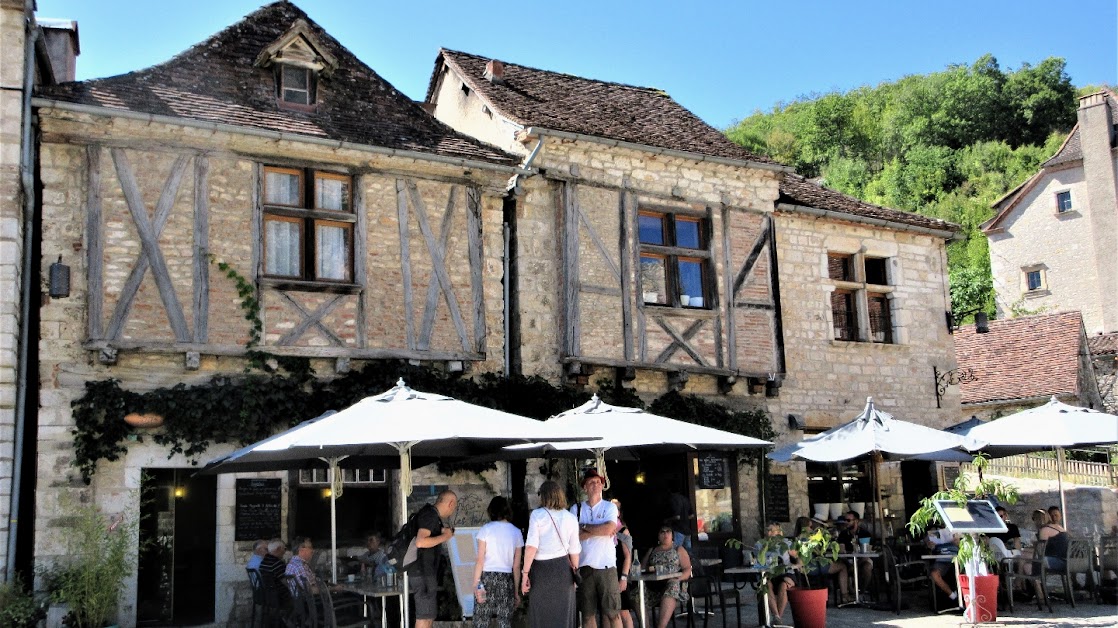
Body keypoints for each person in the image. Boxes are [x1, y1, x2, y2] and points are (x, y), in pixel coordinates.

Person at [522, 480, 580, 628]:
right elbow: (574, 551)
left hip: (541, 571)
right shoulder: (571, 518)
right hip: (563, 570)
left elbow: (531, 547)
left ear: (544, 496)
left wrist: (525, 574)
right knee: (563, 615)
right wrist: (574, 575)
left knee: (541, 615)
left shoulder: (537, 515)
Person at [572, 470, 622, 628]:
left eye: (599, 482)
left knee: (613, 613)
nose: (596, 485)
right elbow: (572, 536)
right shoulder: (576, 508)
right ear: (584, 487)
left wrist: (584, 527)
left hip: (606, 566)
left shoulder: (609, 507)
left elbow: (609, 529)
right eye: (592, 482)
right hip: (584, 566)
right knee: (587, 615)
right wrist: (598, 530)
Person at [473, 496, 524, 628]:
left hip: (486, 578)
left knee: (481, 619)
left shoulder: (485, 529)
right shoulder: (516, 532)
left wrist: (476, 583)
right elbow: (516, 566)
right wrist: (516, 592)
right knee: (504, 621)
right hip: (506, 579)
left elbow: (480, 560)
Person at [413, 490, 459, 628]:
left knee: (428, 617)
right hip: (422, 572)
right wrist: (446, 537)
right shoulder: (430, 515)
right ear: (451, 503)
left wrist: (442, 531)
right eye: (454, 507)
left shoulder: (430, 515)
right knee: (424, 618)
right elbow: (421, 542)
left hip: (425, 572)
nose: (452, 511)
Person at [791, 516, 850, 603]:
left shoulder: (796, 538)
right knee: (843, 567)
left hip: (804, 568)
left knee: (842, 564)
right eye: (811, 527)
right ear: (807, 526)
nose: (812, 529)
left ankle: (848, 592)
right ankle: (845, 595)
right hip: (815, 566)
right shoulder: (809, 538)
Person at [644, 525, 692, 628]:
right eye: (662, 532)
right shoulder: (653, 550)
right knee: (636, 591)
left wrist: (678, 578)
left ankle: (661, 626)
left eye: (668, 531)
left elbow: (687, 569)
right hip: (654, 584)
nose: (665, 534)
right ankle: (645, 625)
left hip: (673, 584)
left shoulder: (678, 549)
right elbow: (642, 568)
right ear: (658, 535)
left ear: (672, 535)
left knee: (672, 586)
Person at [754, 523, 794, 621]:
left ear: (779, 532)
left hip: (785, 573)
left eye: (772, 530)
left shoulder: (786, 543)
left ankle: (777, 618)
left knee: (783, 585)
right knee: (766, 585)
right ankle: (777, 617)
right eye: (767, 530)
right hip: (768, 573)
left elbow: (799, 558)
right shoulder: (760, 544)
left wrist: (797, 566)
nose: (769, 533)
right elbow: (758, 561)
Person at [836, 511, 873, 591]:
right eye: (845, 520)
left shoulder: (865, 534)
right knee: (842, 567)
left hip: (862, 559)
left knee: (867, 567)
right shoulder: (843, 534)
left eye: (848, 520)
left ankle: (862, 591)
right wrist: (849, 565)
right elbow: (841, 551)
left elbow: (867, 553)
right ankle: (850, 592)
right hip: (848, 560)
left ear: (856, 521)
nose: (846, 522)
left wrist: (855, 565)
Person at [612, 499, 635, 628]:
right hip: (609, 571)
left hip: (621, 572)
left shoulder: (623, 530)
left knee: (623, 611)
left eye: (615, 508)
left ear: (619, 513)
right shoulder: (605, 529)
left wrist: (624, 578)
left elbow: (628, 557)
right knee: (610, 611)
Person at [925, 527, 959, 603]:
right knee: (934, 574)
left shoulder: (957, 530)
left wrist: (958, 542)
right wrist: (930, 546)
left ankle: (963, 595)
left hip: (957, 557)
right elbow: (928, 548)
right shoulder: (932, 533)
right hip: (941, 559)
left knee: (965, 571)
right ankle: (953, 596)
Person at [667, 483, 694, 551]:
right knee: (688, 555)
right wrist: (684, 518)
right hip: (687, 530)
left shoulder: (673, 499)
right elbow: (692, 515)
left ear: (670, 490)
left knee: (677, 553)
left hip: (678, 530)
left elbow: (677, 517)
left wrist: (667, 520)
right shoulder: (685, 499)